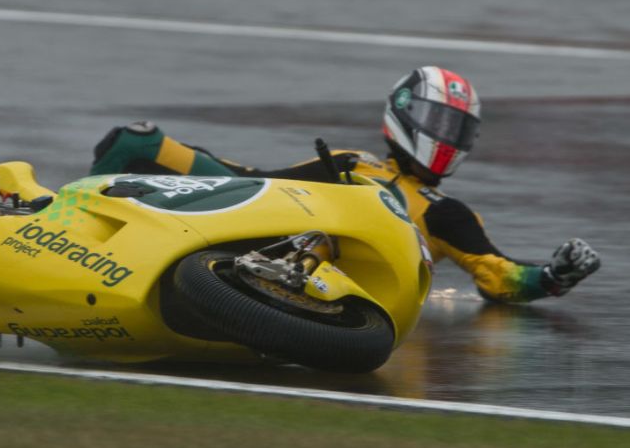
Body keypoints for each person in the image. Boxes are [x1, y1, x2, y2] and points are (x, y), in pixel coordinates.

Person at [89, 66, 600, 304]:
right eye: (438, 122)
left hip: (355, 289)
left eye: (456, 129)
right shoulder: (348, 162)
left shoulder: (447, 213)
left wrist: (551, 277)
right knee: (138, 141)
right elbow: (262, 183)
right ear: (405, 117)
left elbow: (497, 275)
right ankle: (75, 226)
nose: (445, 137)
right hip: (273, 228)